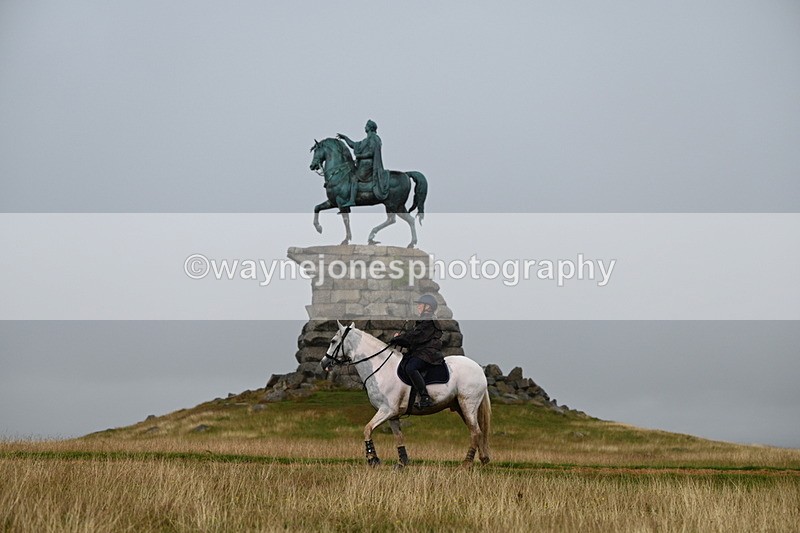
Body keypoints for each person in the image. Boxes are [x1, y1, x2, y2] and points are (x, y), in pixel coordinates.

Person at [388, 294, 444, 409]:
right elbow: (412, 336)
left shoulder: (428, 320)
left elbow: (416, 337)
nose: (418, 307)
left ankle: (425, 397)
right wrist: (400, 338)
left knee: (411, 367)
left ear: (428, 307)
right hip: (421, 352)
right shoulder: (423, 321)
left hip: (428, 354)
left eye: (420, 304)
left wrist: (397, 339)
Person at [336, 120, 389, 210]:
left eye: (366, 126)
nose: (365, 127)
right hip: (363, 164)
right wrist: (345, 138)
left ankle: (352, 200)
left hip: (368, 165)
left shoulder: (374, 139)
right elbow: (354, 145)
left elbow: (371, 153)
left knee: (354, 178)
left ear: (370, 127)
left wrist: (360, 156)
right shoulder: (366, 140)